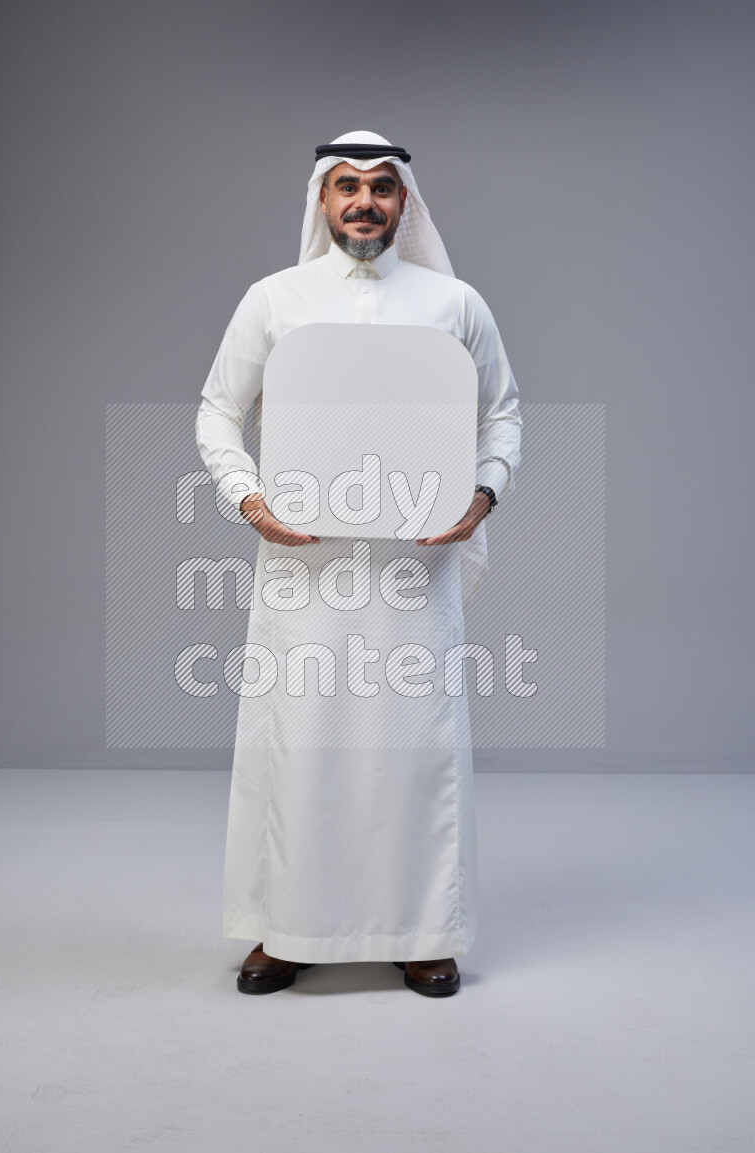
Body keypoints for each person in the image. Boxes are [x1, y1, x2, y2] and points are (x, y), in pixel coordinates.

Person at [195, 130, 522, 997]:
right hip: (305, 572)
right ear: (322, 198)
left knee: (415, 749)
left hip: (415, 572)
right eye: (347, 185)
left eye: (381, 186)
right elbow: (218, 410)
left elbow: (502, 413)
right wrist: (250, 500)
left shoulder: (455, 303)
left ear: (404, 201)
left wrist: (481, 495)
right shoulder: (274, 299)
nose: (364, 201)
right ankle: (288, 929)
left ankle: (423, 931)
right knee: (302, 746)